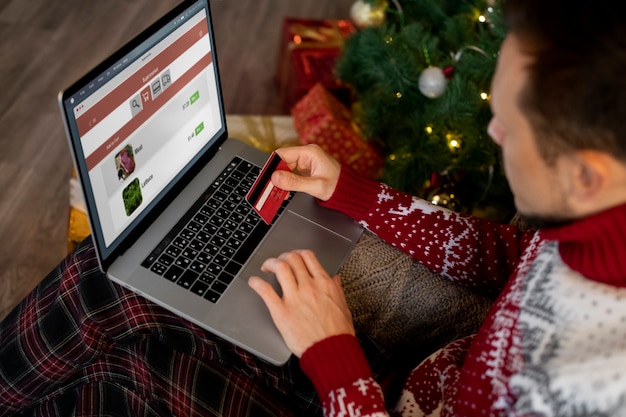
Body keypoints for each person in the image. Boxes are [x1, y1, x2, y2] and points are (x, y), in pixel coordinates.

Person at [1, 0, 626, 415]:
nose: (492, 134)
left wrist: (333, 355)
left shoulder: (589, 384)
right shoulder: (583, 222)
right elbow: (510, 255)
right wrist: (351, 193)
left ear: (585, 175)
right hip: (399, 379)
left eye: (510, 126)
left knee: (131, 372)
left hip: (358, 392)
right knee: (115, 271)